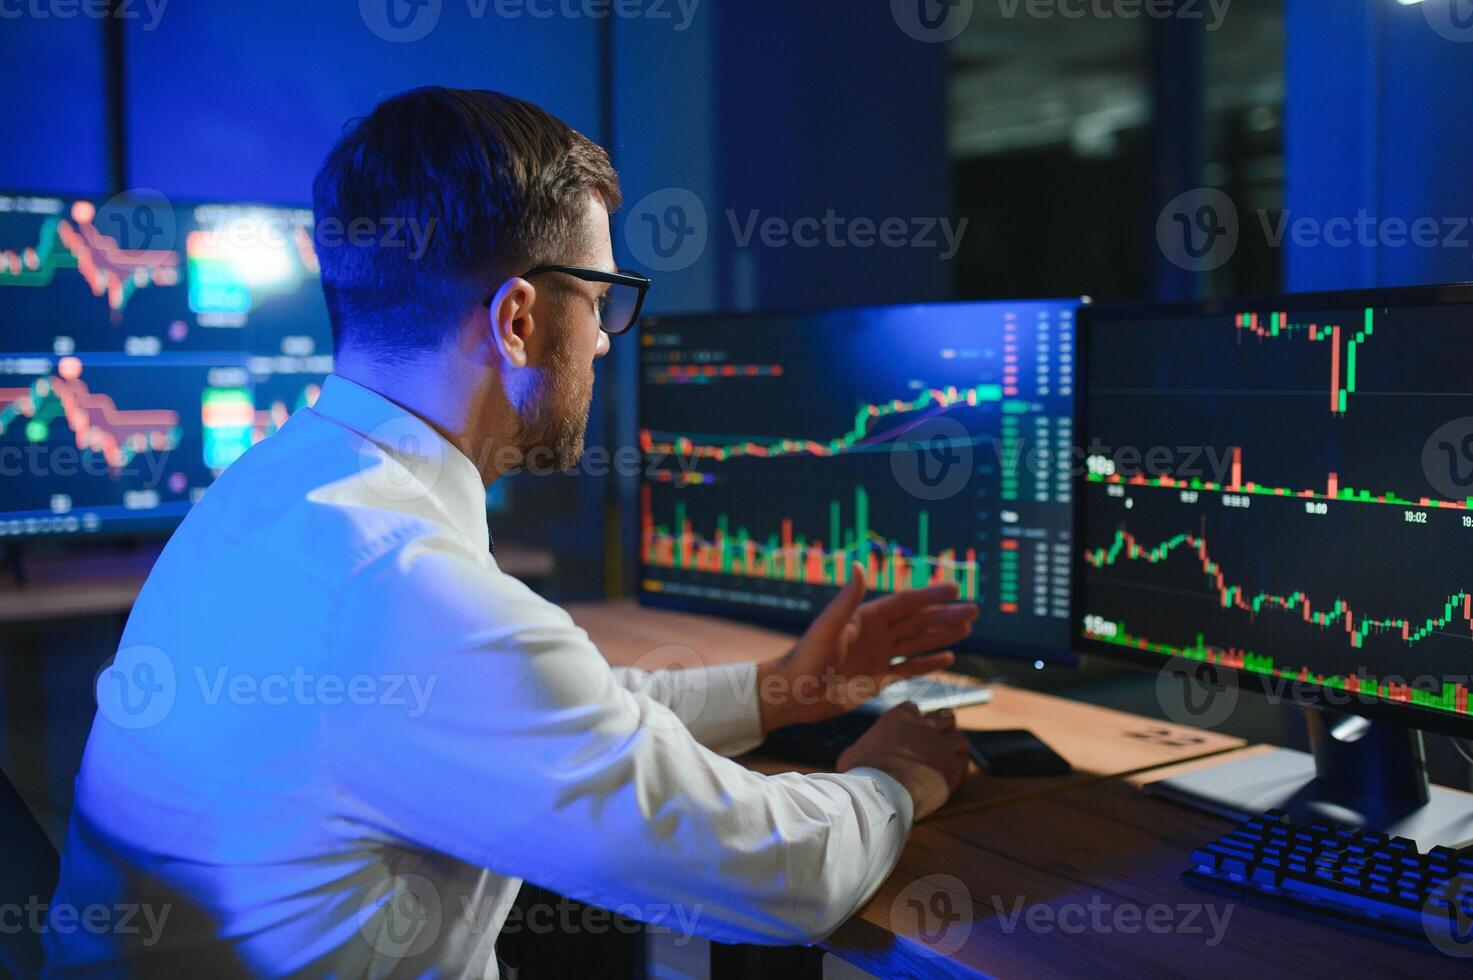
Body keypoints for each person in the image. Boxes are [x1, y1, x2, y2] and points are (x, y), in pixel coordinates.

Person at [45, 86, 978, 977]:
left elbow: (541, 711)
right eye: (601, 298)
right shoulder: (401, 589)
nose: (608, 337)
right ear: (520, 320)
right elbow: (780, 878)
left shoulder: (285, 489)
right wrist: (892, 779)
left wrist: (779, 692)